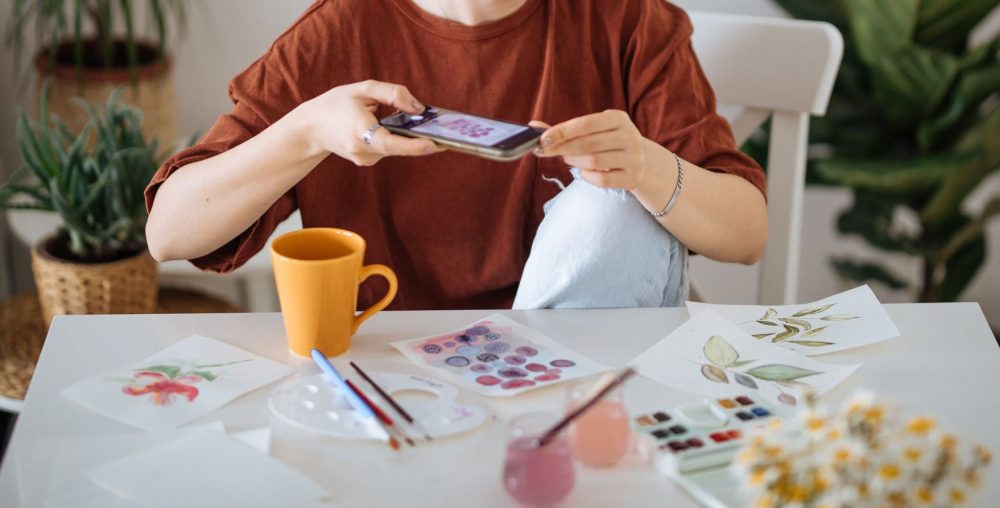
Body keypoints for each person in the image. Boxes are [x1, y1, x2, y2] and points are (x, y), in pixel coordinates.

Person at [145, 0, 768, 310]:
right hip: (396, 378)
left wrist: (651, 169)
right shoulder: (335, 36)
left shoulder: (627, 21)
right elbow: (169, 234)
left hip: (591, 382)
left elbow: (747, 234)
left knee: (609, 211)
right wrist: (305, 132)